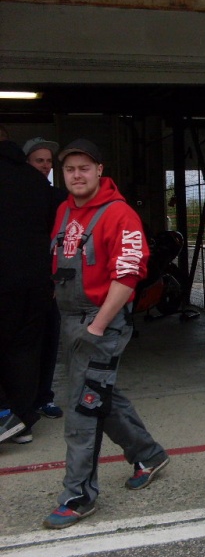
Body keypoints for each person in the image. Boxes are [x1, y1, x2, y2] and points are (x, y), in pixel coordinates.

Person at [43, 139, 169, 530]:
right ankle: (148, 453)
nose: (76, 175)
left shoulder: (120, 214)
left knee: (82, 407)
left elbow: (128, 276)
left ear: (100, 170)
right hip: (70, 320)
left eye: (84, 168)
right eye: (69, 169)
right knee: (98, 394)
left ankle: (78, 495)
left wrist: (97, 326)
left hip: (101, 322)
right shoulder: (64, 210)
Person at [0, 137, 54, 444]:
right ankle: (22, 422)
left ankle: (4, 416)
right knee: (25, 351)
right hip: (35, 281)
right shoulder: (36, 182)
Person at [23, 137, 69, 421]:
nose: (44, 165)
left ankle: (43, 397)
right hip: (20, 284)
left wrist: (57, 279)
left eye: (48, 161)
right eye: (39, 160)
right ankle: (20, 402)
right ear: (26, 162)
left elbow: (67, 245)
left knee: (50, 341)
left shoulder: (58, 198)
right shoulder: (15, 197)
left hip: (48, 284)